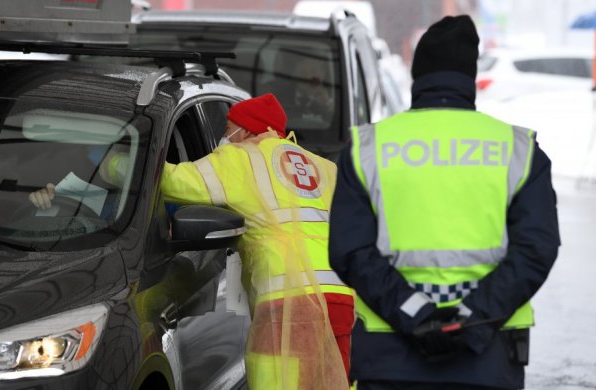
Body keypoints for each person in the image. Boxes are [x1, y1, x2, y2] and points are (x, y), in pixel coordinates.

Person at [328, 15, 560, 390]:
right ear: (470, 79)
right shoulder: (517, 149)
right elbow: (536, 248)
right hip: (488, 357)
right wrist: (470, 319)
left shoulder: (368, 148)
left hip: (391, 358)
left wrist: (415, 313)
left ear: (418, 76)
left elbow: (351, 250)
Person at [159, 93, 353, 389]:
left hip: (288, 301)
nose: (224, 138)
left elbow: (173, 181)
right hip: (340, 299)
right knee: (331, 382)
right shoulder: (324, 167)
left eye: (227, 130)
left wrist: (116, 163)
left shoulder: (242, 157)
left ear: (246, 132)